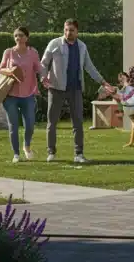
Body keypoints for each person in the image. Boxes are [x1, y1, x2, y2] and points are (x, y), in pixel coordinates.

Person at [40, 19, 111, 163]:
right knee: (52, 122)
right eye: (66, 30)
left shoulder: (82, 47)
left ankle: (79, 154)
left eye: (71, 30)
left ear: (77, 31)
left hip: (75, 89)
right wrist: (43, 77)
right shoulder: (54, 44)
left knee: (78, 122)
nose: (68, 33)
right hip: (56, 88)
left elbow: (89, 67)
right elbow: (44, 63)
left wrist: (103, 82)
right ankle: (51, 152)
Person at [0, 26, 43, 163]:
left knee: (30, 124)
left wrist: (46, 77)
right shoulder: (9, 52)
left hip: (28, 94)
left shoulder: (33, 52)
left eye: (21, 35)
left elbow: (39, 68)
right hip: (10, 95)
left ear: (27, 37)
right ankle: (16, 154)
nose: (18, 38)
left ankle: (26, 146)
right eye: (16, 35)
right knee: (13, 125)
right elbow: (1, 69)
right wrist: (10, 71)